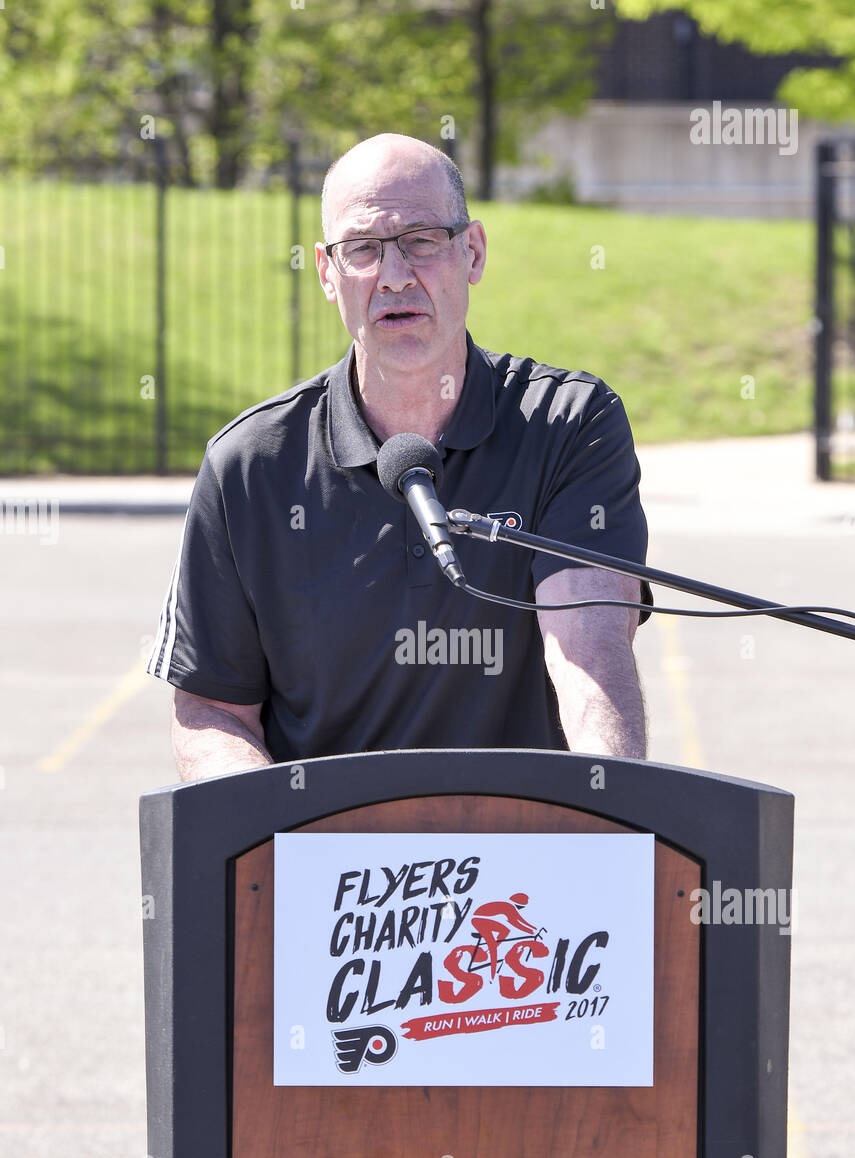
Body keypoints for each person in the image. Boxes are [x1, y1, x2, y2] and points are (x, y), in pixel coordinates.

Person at [146, 132, 652, 781]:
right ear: (328, 274)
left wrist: (609, 817)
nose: (393, 275)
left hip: (527, 860)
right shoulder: (250, 464)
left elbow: (589, 653)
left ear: (471, 251)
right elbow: (213, 710)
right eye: (362, 249)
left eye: (420, 240)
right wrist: (277, 850)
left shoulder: (566, 425)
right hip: (332, 868)